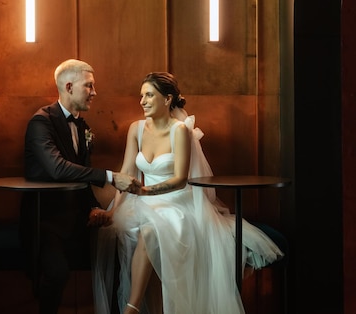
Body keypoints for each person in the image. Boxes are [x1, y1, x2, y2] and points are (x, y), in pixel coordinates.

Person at [92, 72, 284, 314]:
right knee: (128, 228)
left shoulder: (180, 130)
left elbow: (180, 179)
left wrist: (145, 190)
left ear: (167, 99)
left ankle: (132, 307)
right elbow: (126, 173)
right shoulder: (136, 129)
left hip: (177, 203)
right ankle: (142, 305)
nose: (142, 101)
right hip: (141, 201)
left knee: (150, 229)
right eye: (141, 96)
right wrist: (115, 210)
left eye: (149, 95)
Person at [20, 59, 141, 314]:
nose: (94, 92)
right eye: (89, 86)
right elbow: (58, 169)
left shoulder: (83, 126)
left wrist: (94, 208)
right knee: (57, 272)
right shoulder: (41, 122)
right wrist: (110, 177)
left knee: (125, 250)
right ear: (69, 86)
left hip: (77, 221)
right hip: (46, 222)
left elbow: (81, 177)